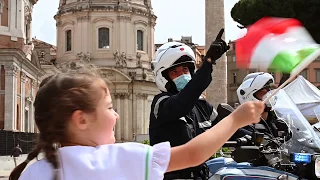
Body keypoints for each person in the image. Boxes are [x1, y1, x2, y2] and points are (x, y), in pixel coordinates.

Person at [9, 65, 264, 180]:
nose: (116, 115)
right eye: (109, 107)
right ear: (82, 119)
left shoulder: (32, 172)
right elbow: (193, 153)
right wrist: (235, 119)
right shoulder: (120, 158)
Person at [149, 29, 230, 180]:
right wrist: (208, 62)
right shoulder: (161, 103)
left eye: (185, 69)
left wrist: (252, 129)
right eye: (175, 72)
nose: (182, 74)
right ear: (164, 77)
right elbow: (181, 104)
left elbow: (224, 125)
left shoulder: (201, 104)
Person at [236, 72, 291, 139]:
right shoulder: (242, 127)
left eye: (269, 91)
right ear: (248, 96)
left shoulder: (277, 121)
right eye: (262, 93)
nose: (268, 96)